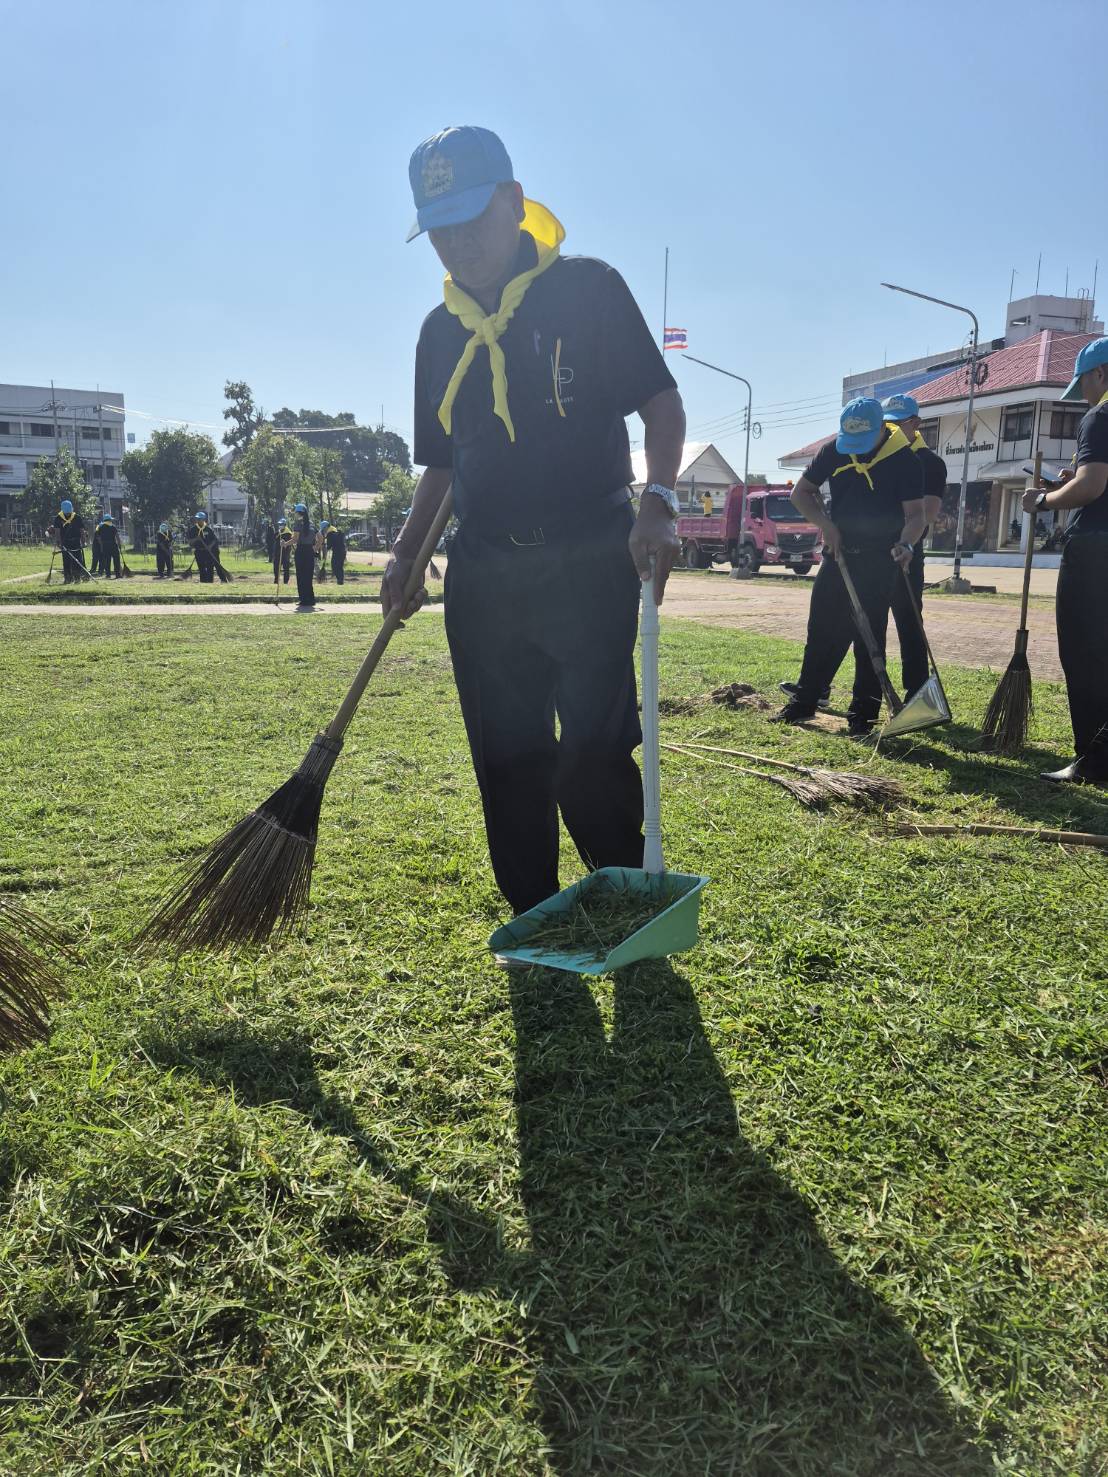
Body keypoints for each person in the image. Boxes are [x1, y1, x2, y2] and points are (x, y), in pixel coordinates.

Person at [382, 125, 685, 918]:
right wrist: (407, 552)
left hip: (589, 555)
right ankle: (534, 911)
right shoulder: (438, 332)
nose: (456, 245)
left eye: (470, 221)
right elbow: (443, 465)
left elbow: (662, 403)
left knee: (591, 749)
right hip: (484, 572)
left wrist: (659, 501)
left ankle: (621, 892)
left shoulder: (588, 289)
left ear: (514, 203)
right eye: (438, 230)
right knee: (506, 755)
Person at [772, 398, 924, 738]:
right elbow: (802, 493)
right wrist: (826, 525)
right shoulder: (833, 451)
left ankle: (862, 717)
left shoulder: (905, 460)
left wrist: (906, 544)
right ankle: (804, 702)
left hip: (880, 558)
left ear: (882, 430)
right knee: (820, 629)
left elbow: (916, 515)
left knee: (869, 635)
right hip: (838, 553)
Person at [1023, 337, 1108, 784]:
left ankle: (1093, 762)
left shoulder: (1101, 416)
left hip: (1097, 548)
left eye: (1087, 384)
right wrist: (1073, 481)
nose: (1086, 397)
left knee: (1086, 652)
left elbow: (1093, 487)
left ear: (1100, 372)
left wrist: (1044, 500)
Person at [52, 499, 88, 582]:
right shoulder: (58, 518)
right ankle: (68, 578)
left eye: (69, 512)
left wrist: (84, 541)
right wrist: (59, 542)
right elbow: (57, 532)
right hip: (65, 542)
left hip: (76, 542)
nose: (68, 513)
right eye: (66, 512)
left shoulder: (77, 517)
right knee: (66, 561)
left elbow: (81, 530)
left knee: (77, 560)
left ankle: (77, 578)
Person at [291, 501, 316, 610]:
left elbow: (295, 539)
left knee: (301, 575)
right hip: (310, 551)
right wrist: (315, 548)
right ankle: (310, 599)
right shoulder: (312, 524)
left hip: (301, 551)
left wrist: (285, 544)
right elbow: (320, 538)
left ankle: (303, 599)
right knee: (308, 576)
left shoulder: (297, 524)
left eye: (295, 511)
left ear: (298, 513)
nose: (294, 513)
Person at [324, 520, 348, 584]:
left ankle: (340, 580)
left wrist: (325, 546)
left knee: (334, 566)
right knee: (340, 566)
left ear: (326, 528)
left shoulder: (330, 535)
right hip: (343, 551)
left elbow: (329, 546)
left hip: (337, 552)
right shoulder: (339, 533)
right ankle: (340, 580)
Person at [273, 517, 293, 584]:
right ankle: (276, 580)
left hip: (285, 554)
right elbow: (274, 539)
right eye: (279, 524)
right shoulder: (278, 532)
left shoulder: (288, 533)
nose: (280, 525)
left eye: (281, 524)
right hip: (277, 553)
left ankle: (285, 581)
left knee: (286, 568)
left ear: (284, 525)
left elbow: (289, 543)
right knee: (276, 567)